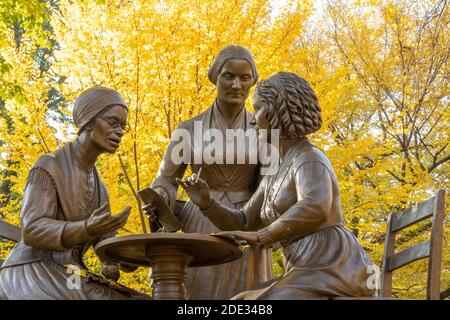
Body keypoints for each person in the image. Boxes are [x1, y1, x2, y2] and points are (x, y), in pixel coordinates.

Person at [179, 72, 376, 299]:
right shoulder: (275, 171)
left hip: (335, 265)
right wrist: (206, 203)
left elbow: (316, 205)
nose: (253, 120)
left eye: (259, 108)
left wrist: (264, 236)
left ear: (278, 112)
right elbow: (244, 221)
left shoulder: (309, 158)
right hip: (304, 268)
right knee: (239, 300)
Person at [144, 45, 272, 299]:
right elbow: (166, 179)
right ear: (216, 77)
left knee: (246, 296)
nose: (236, 85)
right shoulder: (189, 129)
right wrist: (159, 196)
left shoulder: (266, 130)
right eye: (229, 76)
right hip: (199, 222)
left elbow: (273, 185)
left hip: (246, 222)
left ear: (252, 82)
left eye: (244, 78)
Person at [0, 86, 148, 300]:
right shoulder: (49, 165)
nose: (120, 131)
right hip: (32, 270)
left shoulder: (100, 188)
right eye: (113, 122)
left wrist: (129, 256)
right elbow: (32, 229)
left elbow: (106, 247)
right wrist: (86, 228)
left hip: (71, 273)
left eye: (123, 126)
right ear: (88, 120)